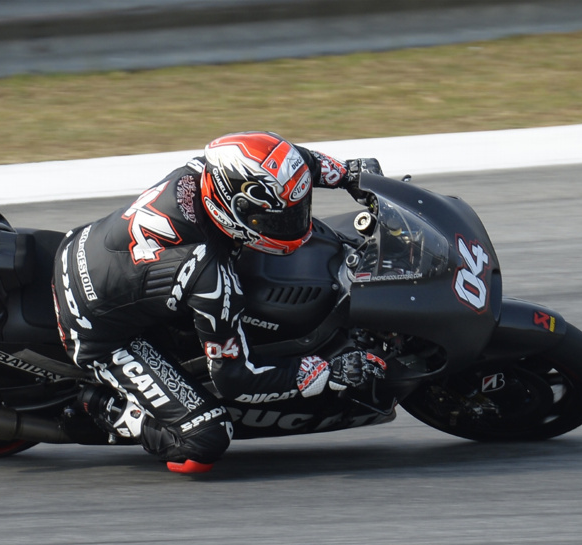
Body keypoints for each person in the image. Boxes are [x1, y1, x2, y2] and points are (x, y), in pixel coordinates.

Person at [52, 131, 388, 473]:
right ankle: (113, 411)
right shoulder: (209, 276)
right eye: (277, 219)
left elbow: (288, 162)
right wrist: (328, 372)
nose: (293, 224)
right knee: (207, 437)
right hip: (96, 329)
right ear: (234, 208)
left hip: (83, 247)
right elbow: (237, 379)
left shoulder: (205, 171)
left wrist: (347, 173)